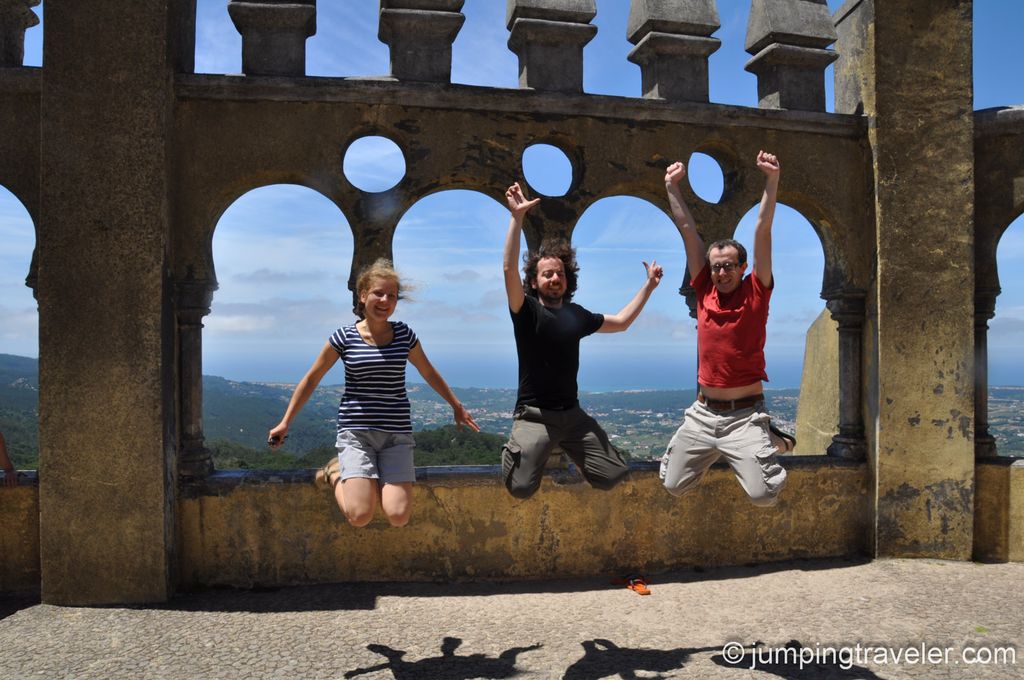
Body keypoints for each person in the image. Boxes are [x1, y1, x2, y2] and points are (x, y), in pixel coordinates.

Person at [268, 258, 478, 527]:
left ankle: (363, 478)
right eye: (379, 293)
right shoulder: (343, 337)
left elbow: (429, 372)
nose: (385, 300)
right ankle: (334, 472)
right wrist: (286, 422)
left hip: (396, 435)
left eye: (392, 295)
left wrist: (455, 405)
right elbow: (312, 379)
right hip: (356, 434)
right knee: (359, 516)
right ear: (363, 295)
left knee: (398, 516)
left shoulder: (404, 335)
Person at [501, 182, 664, 499]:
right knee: (520, 488)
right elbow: (508, 268)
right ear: (534, 282)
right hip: (535, 415)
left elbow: (621, 322)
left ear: (567, 279)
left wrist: (649, 287)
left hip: (572, 414)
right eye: (547, 274)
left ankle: (565, 444)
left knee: (611, 475)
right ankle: (516, 451)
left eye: (559, 273)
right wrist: (516, 218)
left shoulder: (576, 315)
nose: (554, 278)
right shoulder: (527, 311)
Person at [660, 150, 791, 507]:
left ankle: (768, 437)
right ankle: (732, 451)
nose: (721, 272)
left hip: (744, 415)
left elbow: (763, 227)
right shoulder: (703, 289)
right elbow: (688, 230)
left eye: (729, 265)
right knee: (672, 484)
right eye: (716, 266)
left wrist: (772, 179)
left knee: (764, 496)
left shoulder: (756, 291)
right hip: (702, 413)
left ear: (743, 266)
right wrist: (672, 187)